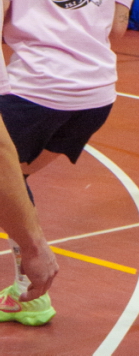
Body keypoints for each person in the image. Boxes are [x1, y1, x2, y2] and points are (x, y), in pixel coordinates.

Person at [0, 0, 136, 325]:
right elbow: (117, 30)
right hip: (96, 97)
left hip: (36, 90)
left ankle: (35, 272)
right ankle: (29, 292)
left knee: (7, 180)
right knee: (14, 178)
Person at [0, 122, 57, 316]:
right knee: (15, 174)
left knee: (9, 174)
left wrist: (33, 247)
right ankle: (25, 290)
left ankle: (25, 291)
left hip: (44, 104)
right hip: (93, 107)